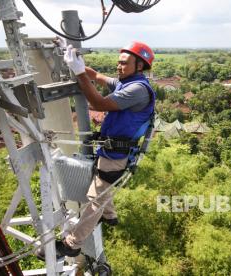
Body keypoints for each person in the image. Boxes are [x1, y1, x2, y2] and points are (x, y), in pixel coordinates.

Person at [56, 41, 156, 257]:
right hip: (111, 150)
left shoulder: (137, 89)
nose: (119, 67)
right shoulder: (126, 82)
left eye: (124, 63)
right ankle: (110, 215)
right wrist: (77, 62)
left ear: (139, 66)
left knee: (94, 199)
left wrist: (79, 73)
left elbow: (99, 103)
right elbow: (98, 76)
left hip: (116, 154)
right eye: (118, 63)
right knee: (102, 185)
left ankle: (72, 244)